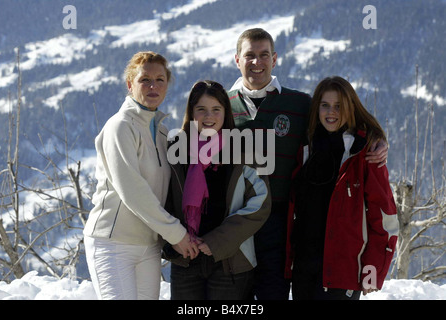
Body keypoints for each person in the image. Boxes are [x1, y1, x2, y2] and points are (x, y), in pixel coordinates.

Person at [228, 28, 388, 300]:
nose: (257, 62)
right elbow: (194, 144)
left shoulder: (300, 104)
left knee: (273, 294)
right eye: (250, 56)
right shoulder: (222, 105)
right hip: (232, 221)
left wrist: (378, 138)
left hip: (279, 222)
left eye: (264, 55)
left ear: (275, 59)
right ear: (237, 60)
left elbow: (341, 119)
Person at [83, 51, 199, 300]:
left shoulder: (162, 132)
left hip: (149, 246)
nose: (153, 86)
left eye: (160, 80)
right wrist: (177, 234)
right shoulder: (120, 126)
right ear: (130, 84)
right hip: (113, 243)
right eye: (145, 79)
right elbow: (132, 191)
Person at [288, 76, 399, 300]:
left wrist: (374, 267)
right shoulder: (305, 146)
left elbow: (384, 217)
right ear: (317, 107)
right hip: (303, 269)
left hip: (343, 271)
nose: (332, 112)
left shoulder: (365, 152)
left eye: (339, 106)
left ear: (350, 108)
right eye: (325, 105)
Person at [162, 80, 271, 300]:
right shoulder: (175, 148)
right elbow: (163, 200)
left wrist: (218, 241)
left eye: (216, 109)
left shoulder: (244, 149)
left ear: (226, 112)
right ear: (191, 113)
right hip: (185, 259)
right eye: (201, 109)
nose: (208, 116)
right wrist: (174, 239)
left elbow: (261, 201)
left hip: (230, 261)